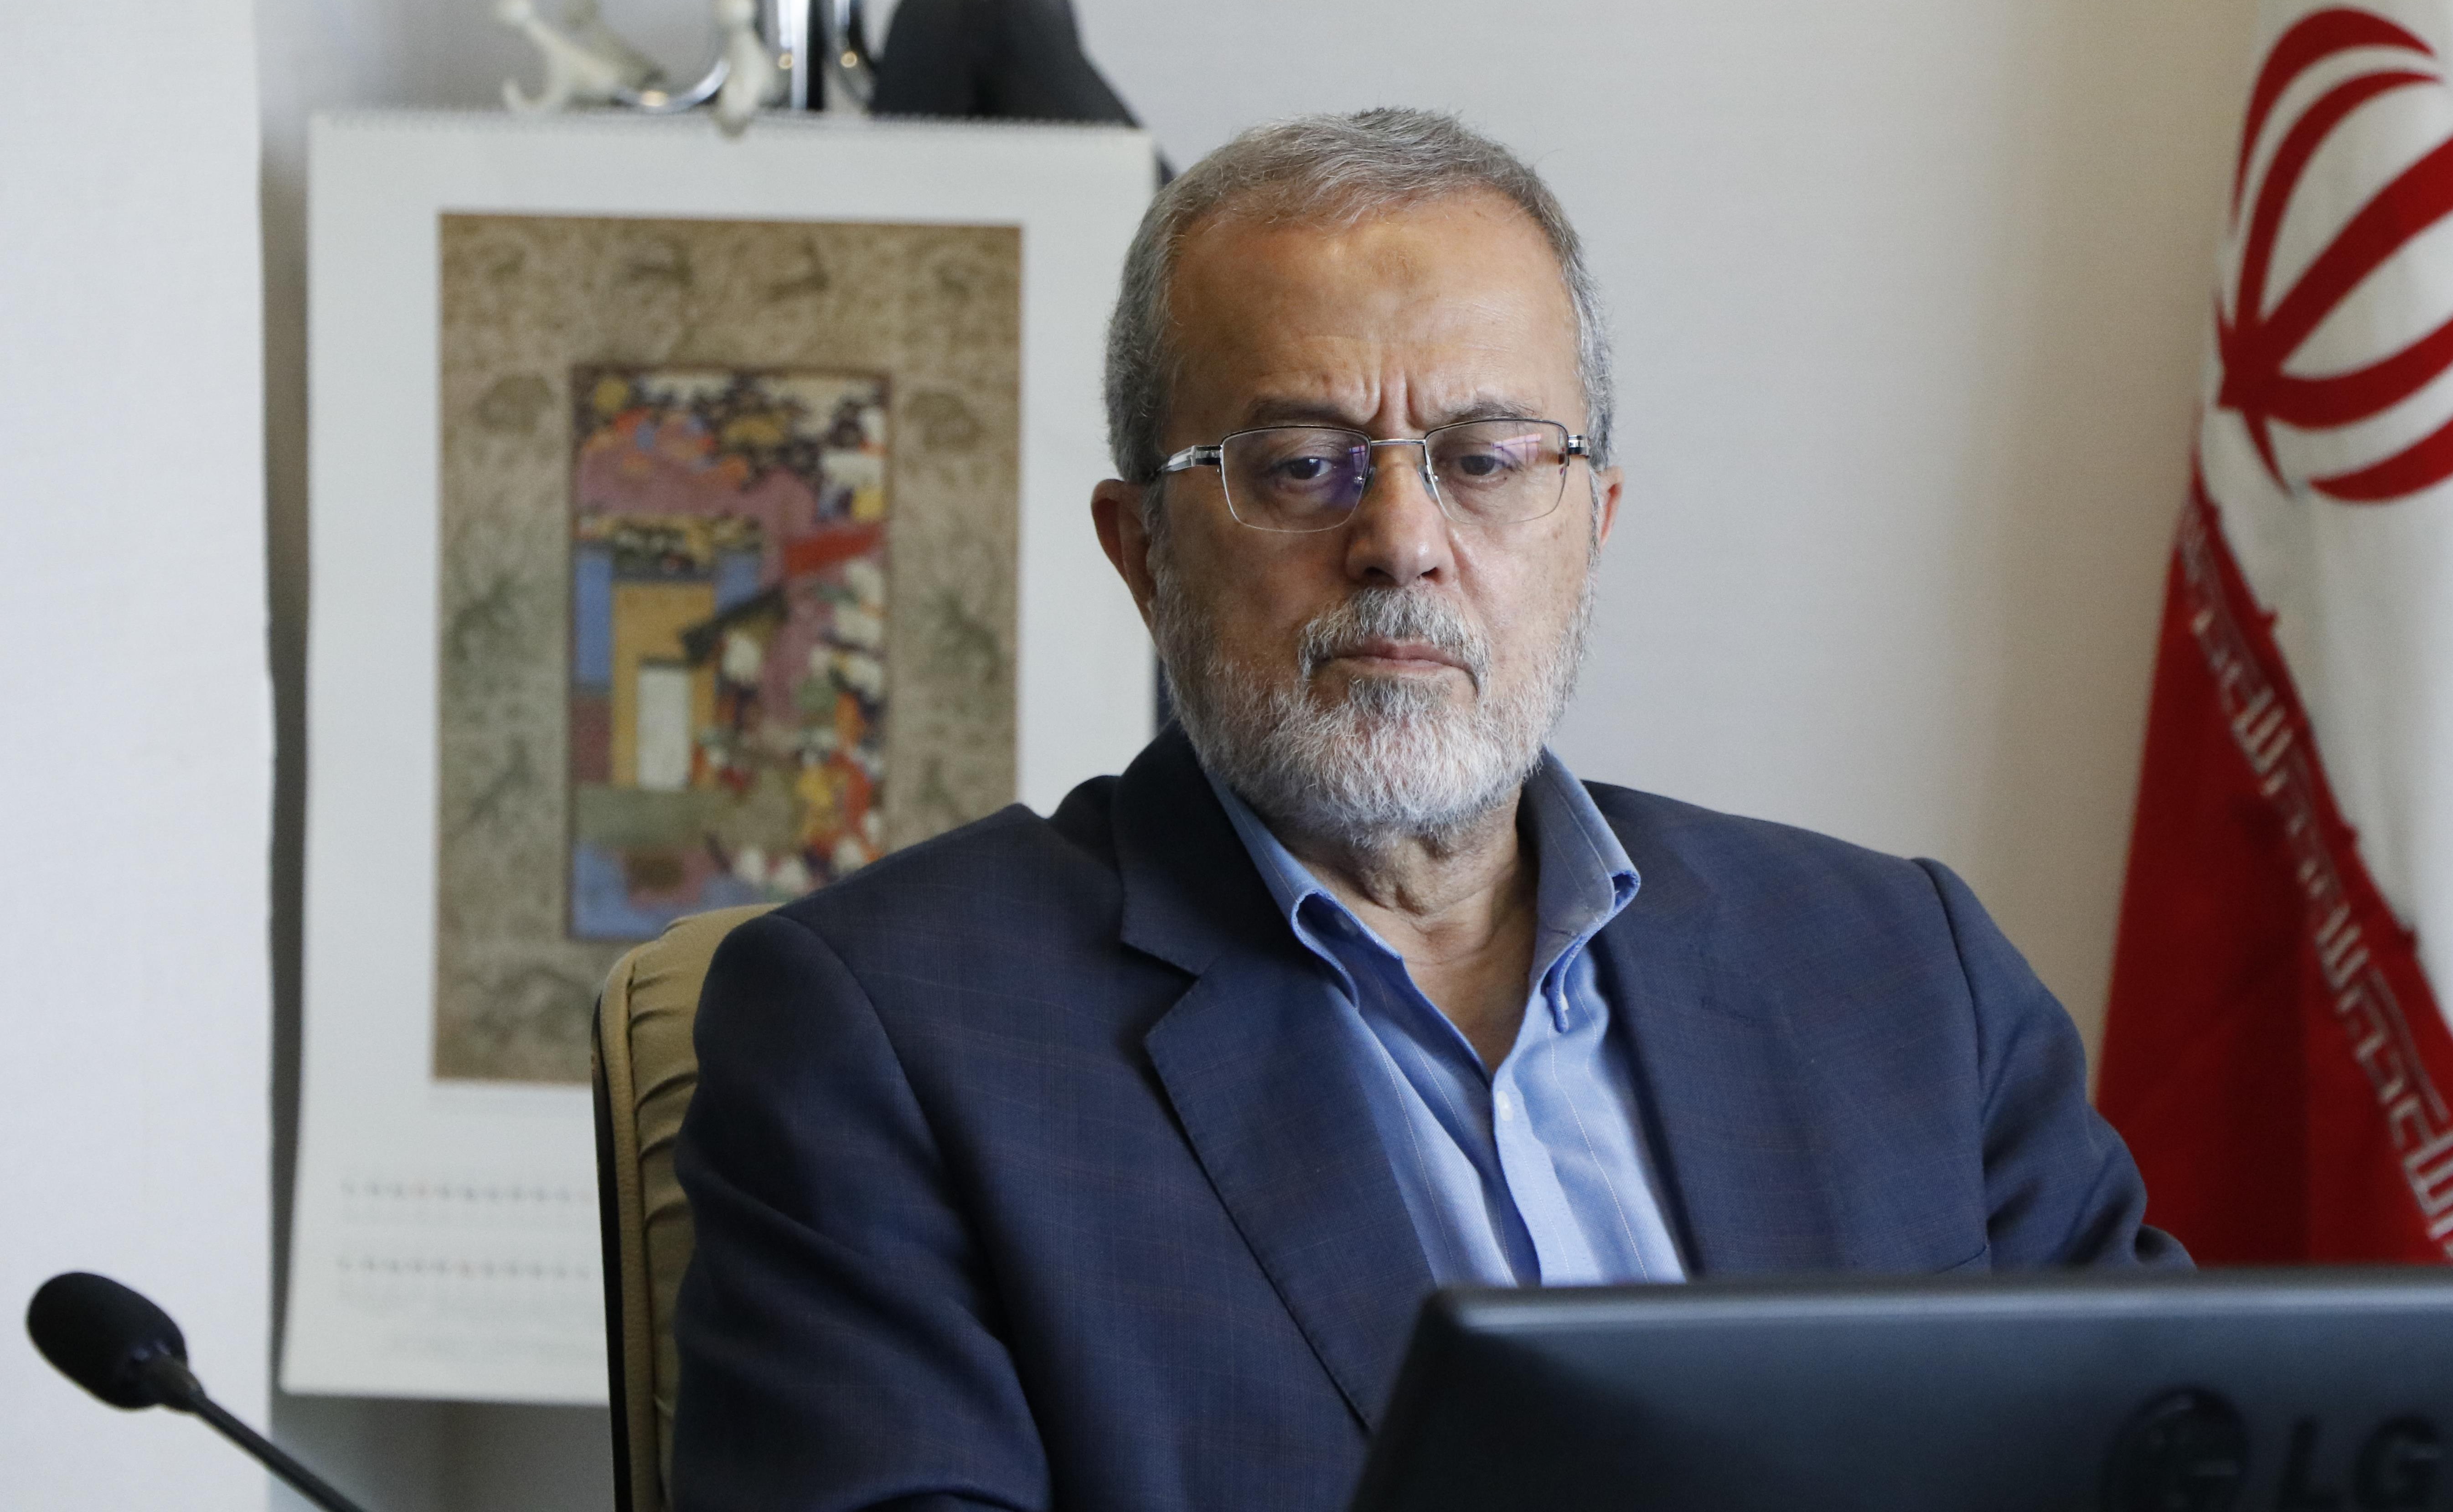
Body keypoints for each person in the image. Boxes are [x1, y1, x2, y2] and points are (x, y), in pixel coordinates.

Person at [670, 108, 2185, 1512]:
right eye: (1300, 465)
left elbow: (2184, 1453)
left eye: (1487, 460)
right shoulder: (892, 1032)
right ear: (1142, 554)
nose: (1402, 540)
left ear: (1593, 526)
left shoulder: (1902, 972)